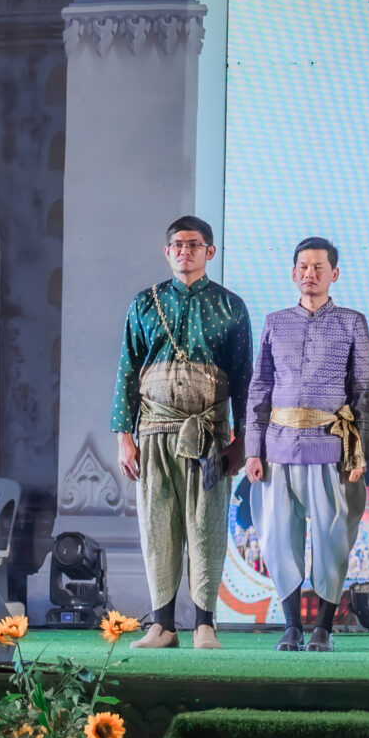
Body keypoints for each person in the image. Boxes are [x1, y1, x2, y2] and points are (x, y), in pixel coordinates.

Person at [116, 216, 254, 651]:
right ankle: (162, 626)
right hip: (154, 432)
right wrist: (123, 435)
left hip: (210, 437)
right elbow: (127, 371)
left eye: (193, 245)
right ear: (167, 252)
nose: (184, 251)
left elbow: (244, 379)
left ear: (209, 251)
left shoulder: (231, 306)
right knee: (157, 526)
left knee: (206, 524)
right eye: (177, 245)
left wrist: (243, 441)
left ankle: (204, 625)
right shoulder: (144, 303)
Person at [246, 237, 369, 651]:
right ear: (293, 273)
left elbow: (364, 391)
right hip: (278, 446)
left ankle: (323, 627)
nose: (310, 274)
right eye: (303, 266)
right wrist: (253, 449)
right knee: (277, 536)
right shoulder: (275, 322)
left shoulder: (352, 322)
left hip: (331, 448)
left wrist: (360, 454)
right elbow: (260, 387)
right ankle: (291, 626)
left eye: (319, 267)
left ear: (334, 273)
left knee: (331, 536)